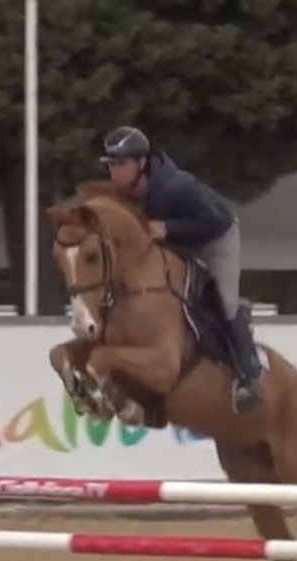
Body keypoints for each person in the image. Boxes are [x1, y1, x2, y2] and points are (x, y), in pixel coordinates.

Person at [99, 125, 262, 414]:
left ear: (141, 163)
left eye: (121, 164)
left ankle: (250, 376)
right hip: (177, 240)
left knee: (224, 303)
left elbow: (215, 221)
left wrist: (169, 228)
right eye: (111, 165)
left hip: (216, 237)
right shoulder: (127, 192)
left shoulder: (176, 187)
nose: (115, 172)